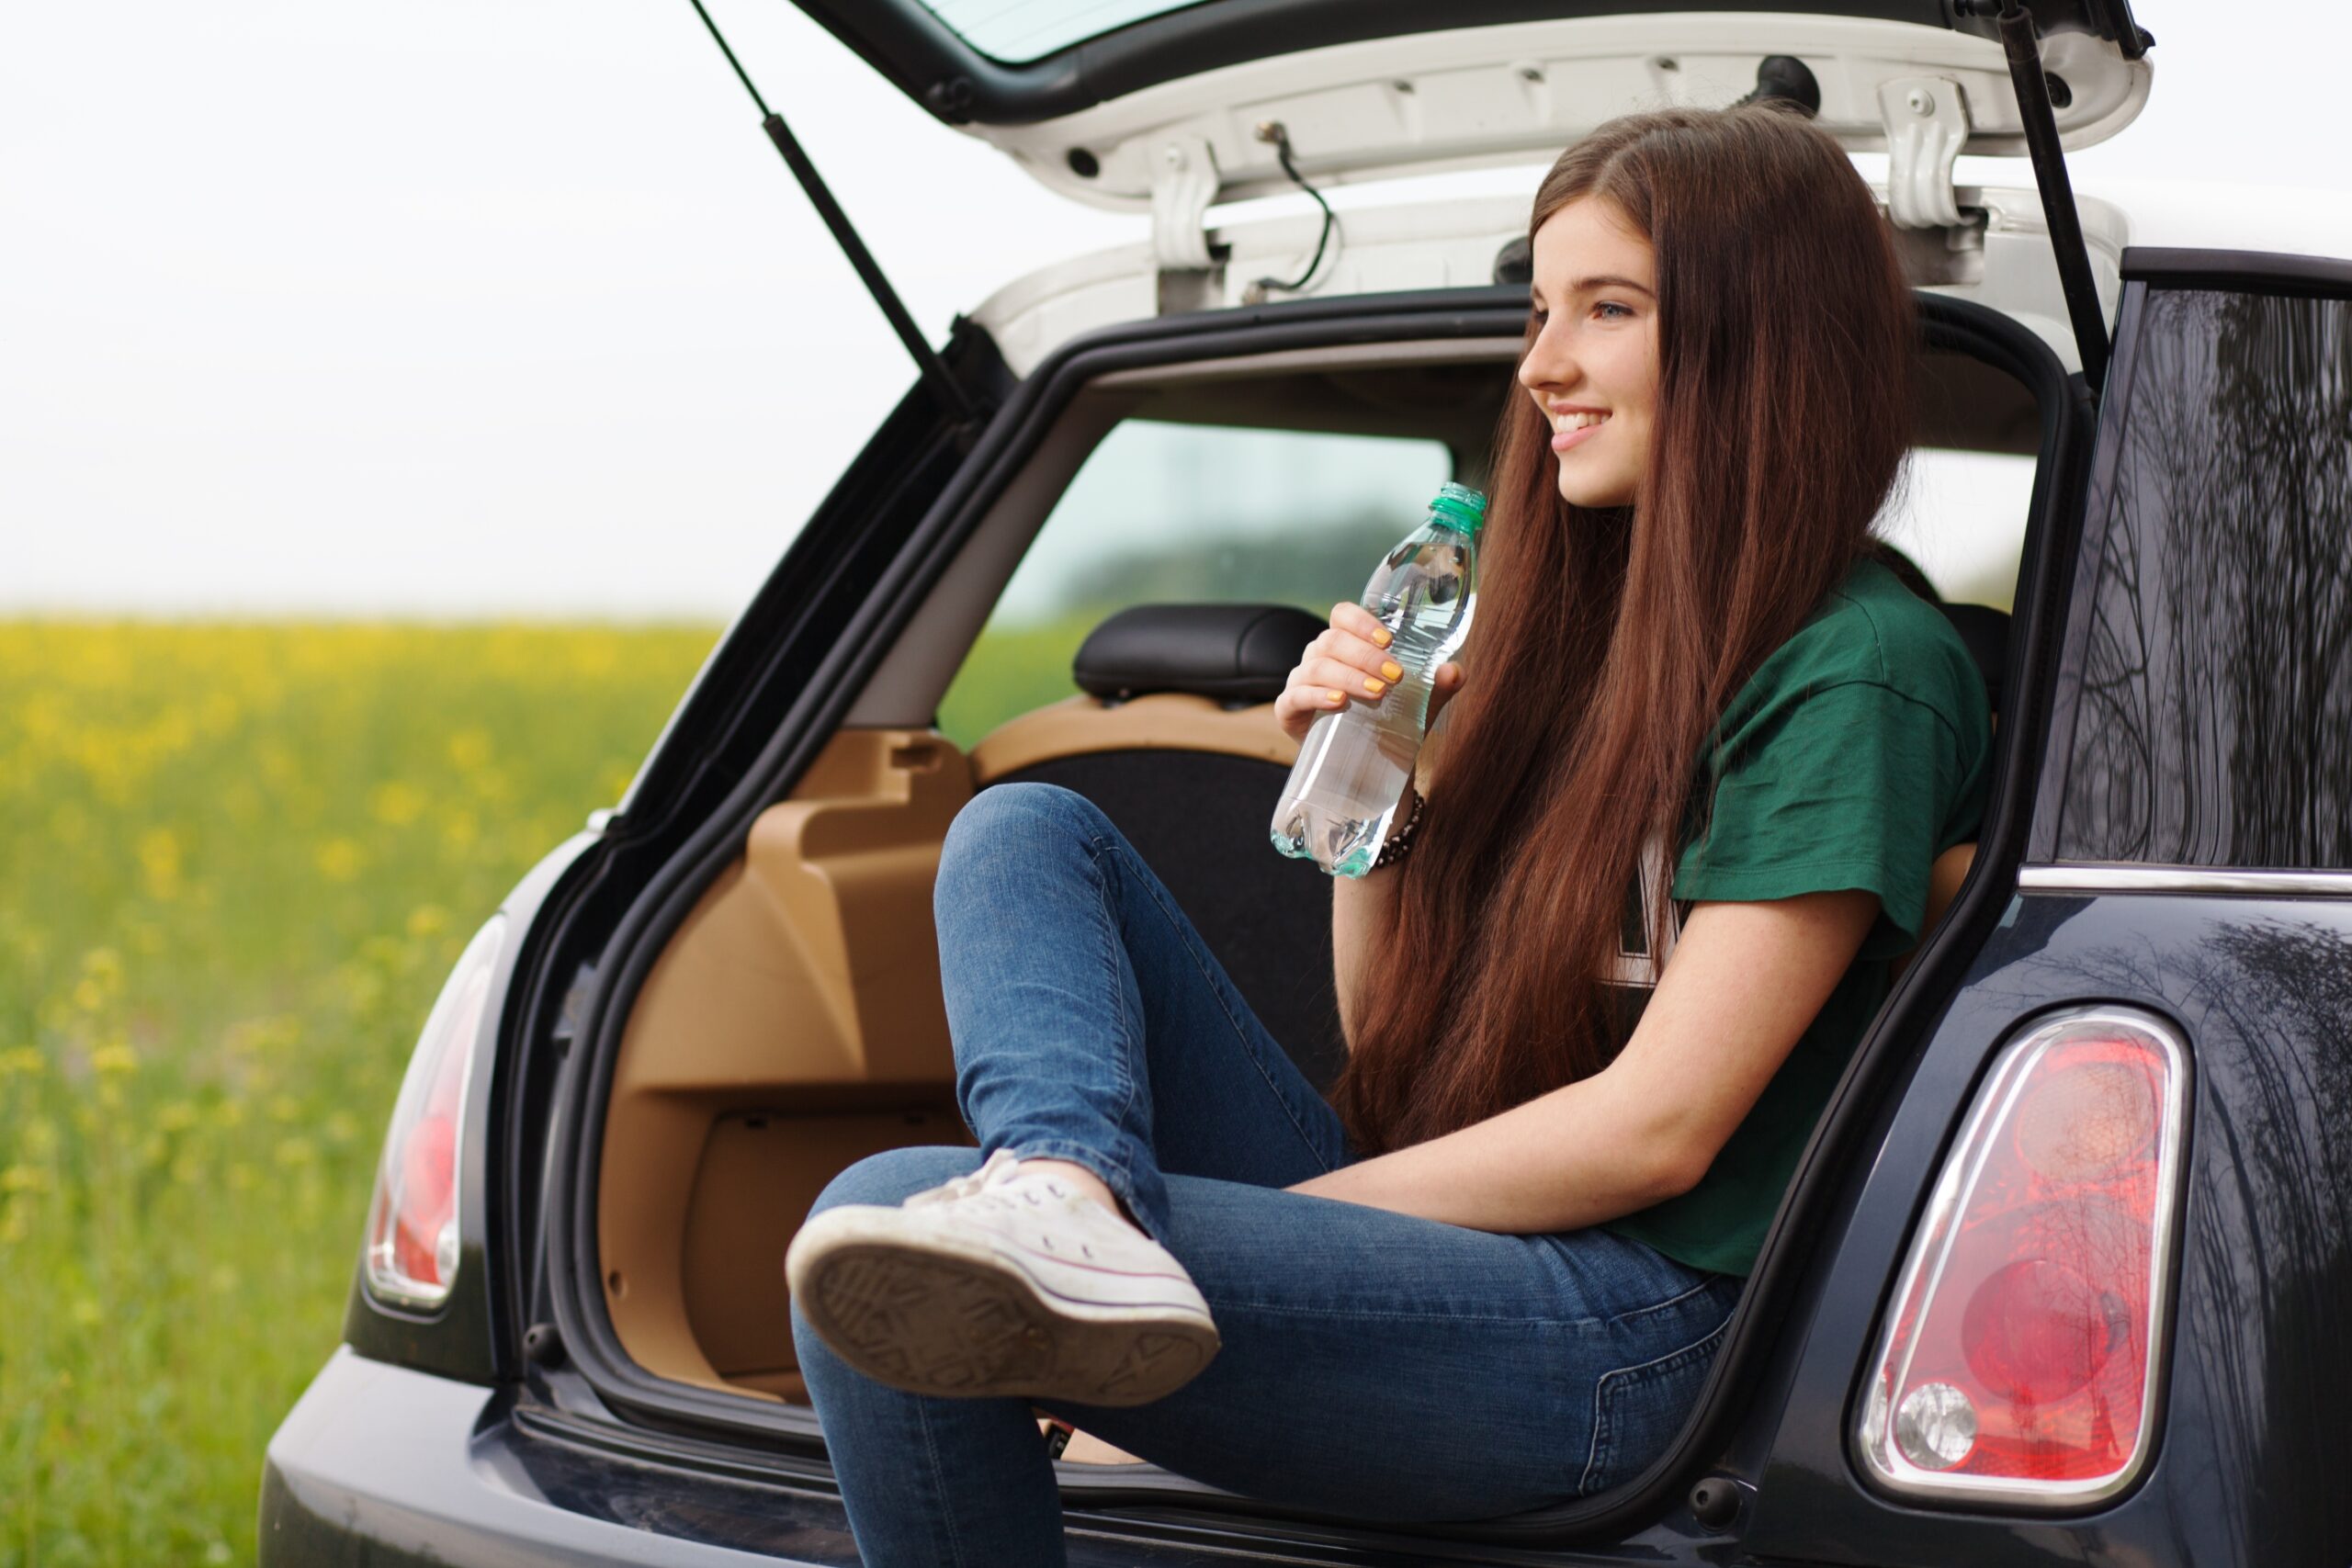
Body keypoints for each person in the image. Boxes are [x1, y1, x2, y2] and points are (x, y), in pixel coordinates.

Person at [785, 100, 1993, 1566]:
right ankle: (1064, 1191)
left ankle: (1085, 1234)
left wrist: (1272, 1234)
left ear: (1764, 340)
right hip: (1469, 1220)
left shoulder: (1856, 667)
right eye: (1542, 310)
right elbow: (1391, 1037)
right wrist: (1382, 779)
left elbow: (1660, 1133)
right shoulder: (1544, 625)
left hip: (1637, 1327)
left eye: (1607, 310)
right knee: (1027, 826)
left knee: (889, 1212)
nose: (1542, 363)